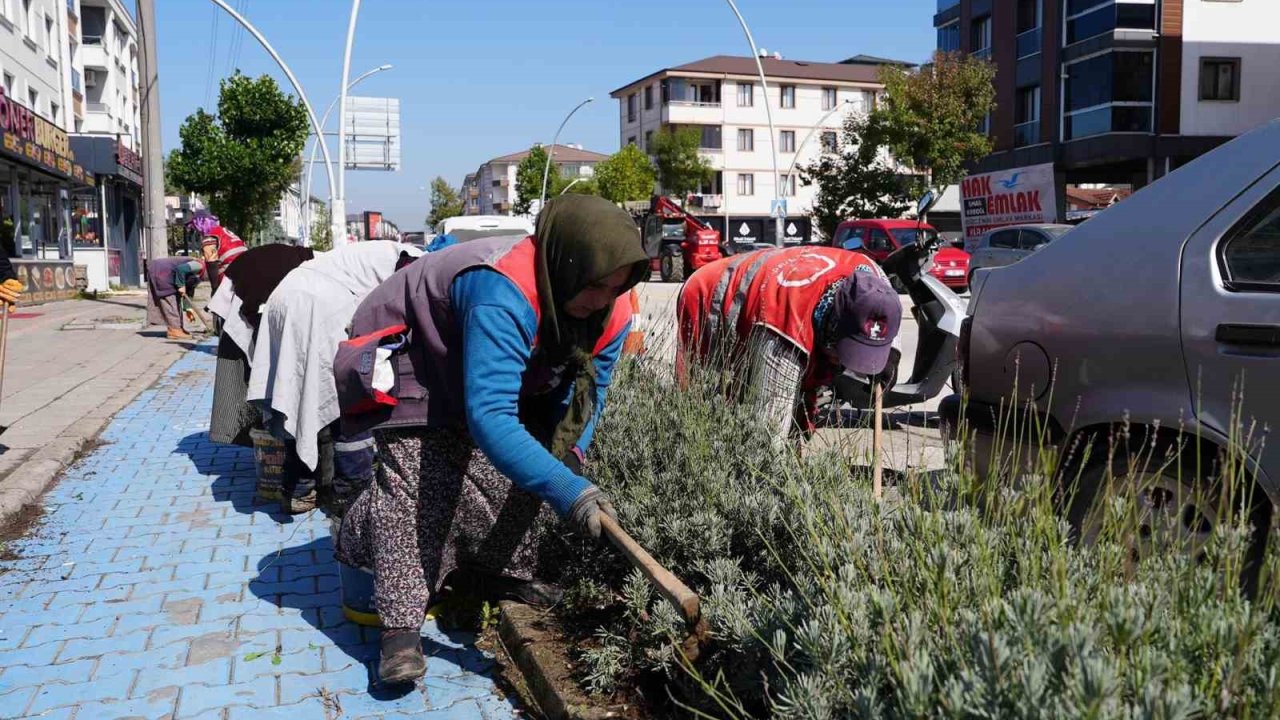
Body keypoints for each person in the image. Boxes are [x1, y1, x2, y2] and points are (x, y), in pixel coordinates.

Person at [332, 195, 649, 685]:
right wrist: (569, 492)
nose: (602, 299)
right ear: (565, 264)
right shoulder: (503, 288)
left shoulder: (614, 308)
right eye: (593, 285)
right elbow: (491, 417)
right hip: (414, 345)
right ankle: (399, 628)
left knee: (537, 462)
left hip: (473, 345)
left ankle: (490, 572)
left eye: (615, 286)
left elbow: (590, 396)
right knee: (418, 476)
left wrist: (573, 459)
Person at [247, 240, 422, 513]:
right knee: (350, 399)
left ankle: (298, 488)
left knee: (297, 399)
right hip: (320, 303)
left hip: (284, 296)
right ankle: (351, 493)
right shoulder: (415, 262)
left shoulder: (376, 252)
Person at [677, 245, 903, 445]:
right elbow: (767, 434)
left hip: (778, 296)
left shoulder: (877, 286)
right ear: (831, 327)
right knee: (709, 413)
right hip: (709, 296)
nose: (845, 363)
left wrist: (885, 360)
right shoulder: (784, 325)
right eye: (842, 352)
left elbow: (884, 330)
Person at [207, 244, 315, 449]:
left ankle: (270, 433)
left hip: (244, 302)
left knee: (262, 374)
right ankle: (271, 438)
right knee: (254, 375)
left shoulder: (299, 268)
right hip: (245, 306)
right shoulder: (299, 270)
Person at [146, 256, 205, 340]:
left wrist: (188, 308)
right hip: (162, 272)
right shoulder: (199, 265)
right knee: (170, 302)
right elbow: (181, 269)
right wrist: (181, 285)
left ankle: (178, 328)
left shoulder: (198, 273)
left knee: (175, 302)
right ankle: (174, 330)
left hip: (165, 273)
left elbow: (190, 288)